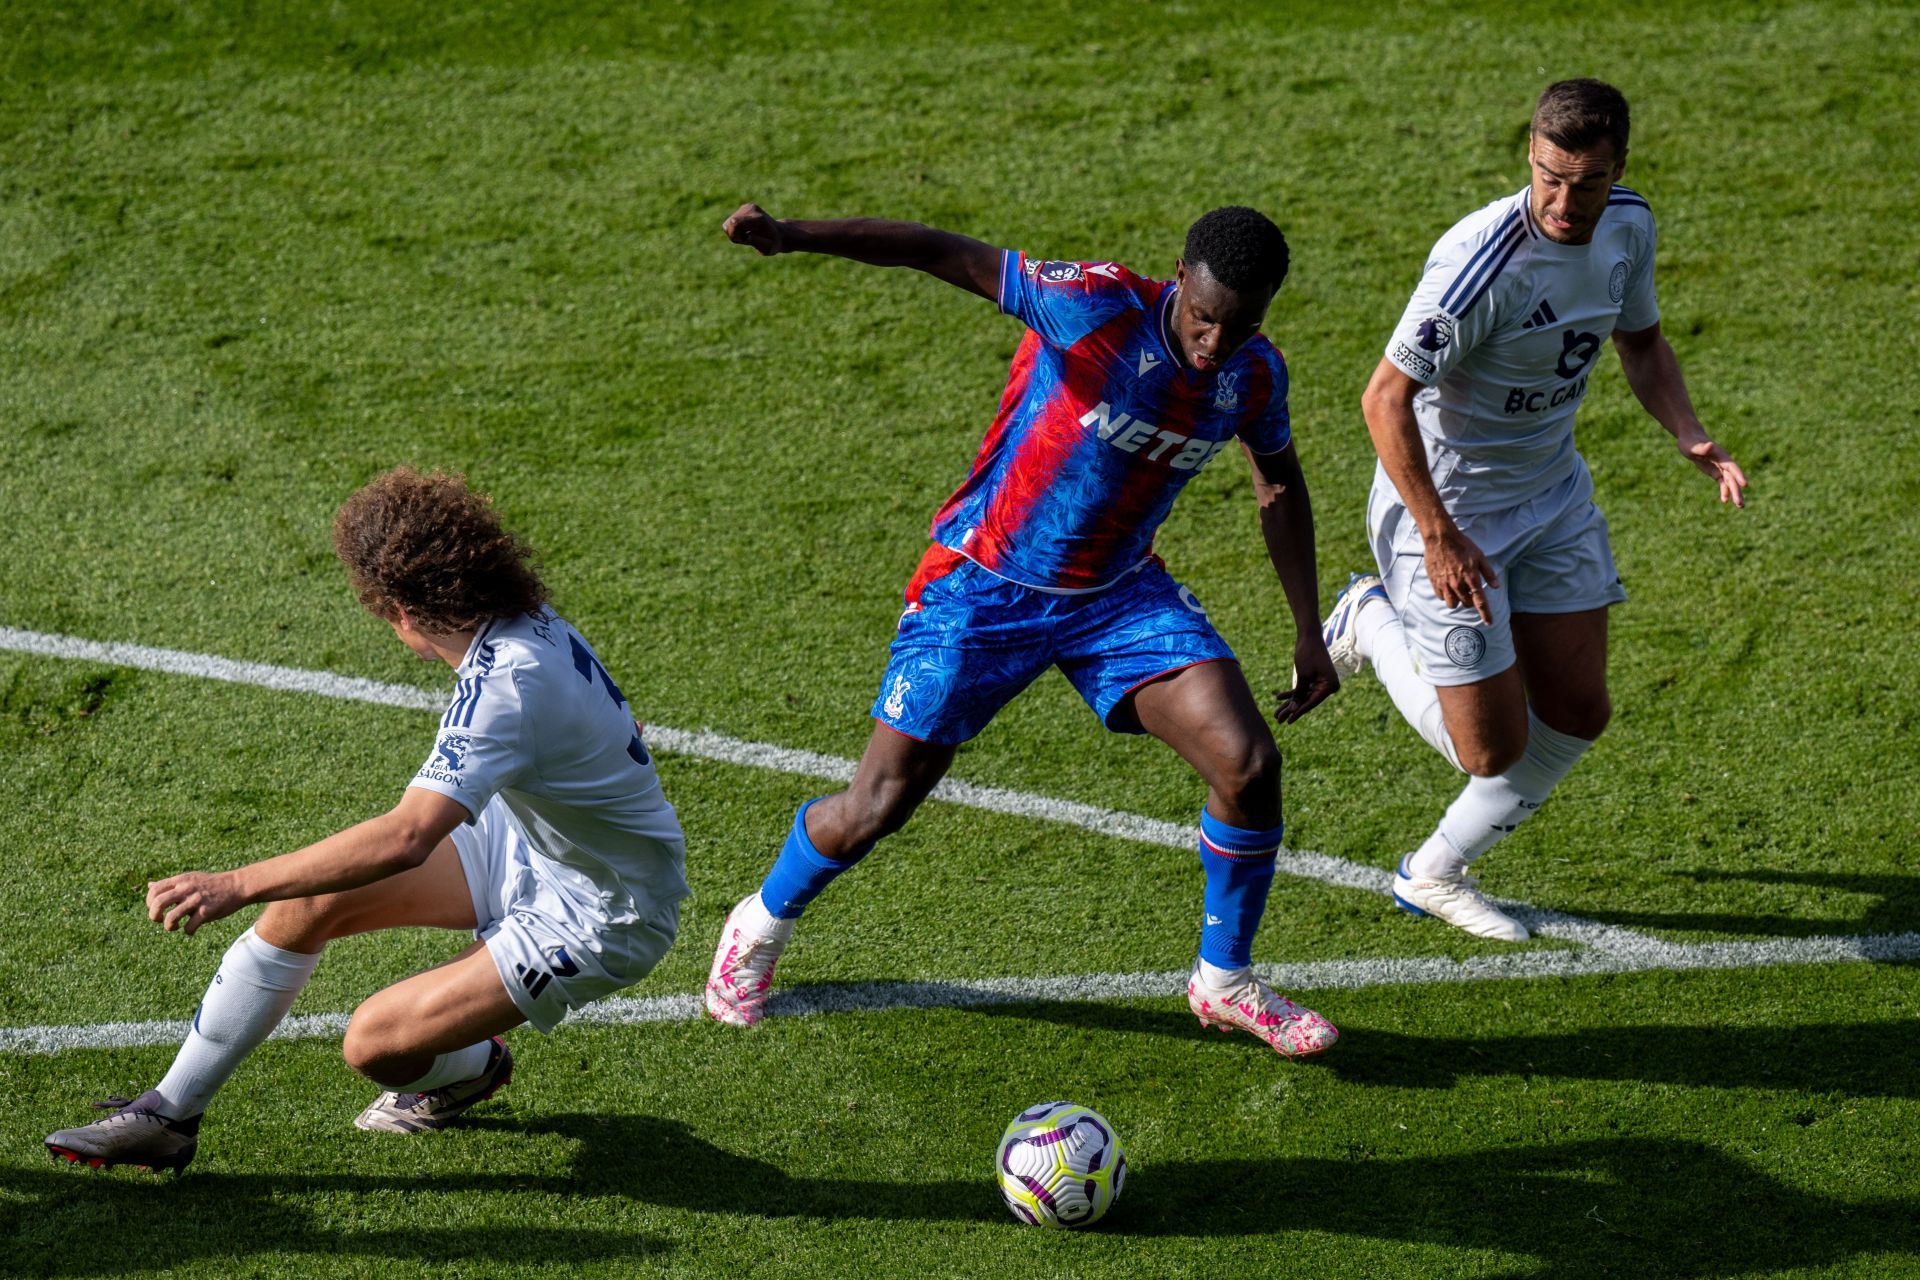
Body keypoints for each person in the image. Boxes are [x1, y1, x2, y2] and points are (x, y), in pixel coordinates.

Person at [704, 202, 1343, 1057]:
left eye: (1242, 323)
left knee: (1249, 763)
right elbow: (941, 251)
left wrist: (1309, 630)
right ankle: (758, 926)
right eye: (1204, 319)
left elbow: (1278, 485)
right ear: (1179, 279)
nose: (1216, 343)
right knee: (876, 806)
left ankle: (1224, 981)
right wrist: (794, 234)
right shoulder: (1094, 304)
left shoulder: (1253, 376)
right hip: (984, 586)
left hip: (1118, 596)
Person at [44, 468, 688, 1171]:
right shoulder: (525, 622)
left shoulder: (506, 686)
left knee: (376, 1045)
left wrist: (234, 883)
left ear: (402, 613)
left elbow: (407, 838)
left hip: (600, 913)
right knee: (309, 901)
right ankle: (169, 1115)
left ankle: (473, 1069)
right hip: (534, 844)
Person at [1324, 79, 1748, 941]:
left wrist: (1687, 431)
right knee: (1489, 751)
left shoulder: (1629, 223)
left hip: (1552, 495)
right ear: (1531, 154)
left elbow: (1641, 340)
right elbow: (1382, 399)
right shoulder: (1482, 262)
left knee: (1581, 710)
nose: (1563, 201)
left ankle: (1435, 871)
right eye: (1549, 177)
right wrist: (1438, 535)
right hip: (1450, 510)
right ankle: (1369, 617)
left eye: (1584, 182)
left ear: (1617, 167)